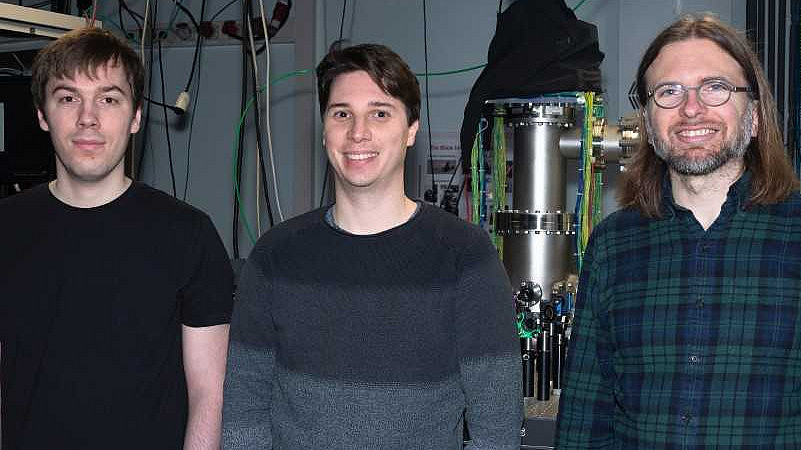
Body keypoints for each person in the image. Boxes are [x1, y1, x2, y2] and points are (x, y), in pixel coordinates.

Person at [222, 43, 522, 449]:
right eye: (341, 113)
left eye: (380, 113)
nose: (357, 132)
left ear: (411, 130)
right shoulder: (275, 256)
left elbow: (497, 429)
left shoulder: (466, 256)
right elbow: (244, 413)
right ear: (324, 129)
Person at [556, 14, 801, 448]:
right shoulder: (613, 243)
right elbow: (585, 411)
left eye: (715, 87)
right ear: (649, 124)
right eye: (669, 91)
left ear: (754, 114)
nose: (691, 108)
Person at [0, 28, 233, 449]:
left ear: (136, 116)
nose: (87, 118)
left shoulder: (189, 235)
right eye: (68, 98)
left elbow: (209, 396)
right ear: (42, 114)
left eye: (108, 99)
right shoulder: (7, 228)